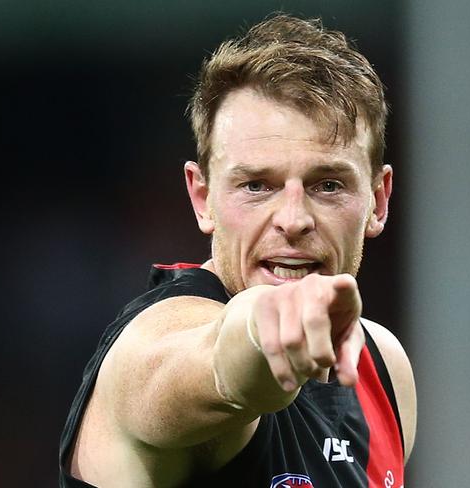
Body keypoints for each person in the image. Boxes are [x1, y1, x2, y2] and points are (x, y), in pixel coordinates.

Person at [59, 13, 416, 488]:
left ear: (378, 200)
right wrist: (258, 329)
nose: (293, 219)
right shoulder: (150, 345)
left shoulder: (384, 369)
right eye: (256, 186)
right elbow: (214, 363)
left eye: (328, 185)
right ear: (202, 198)